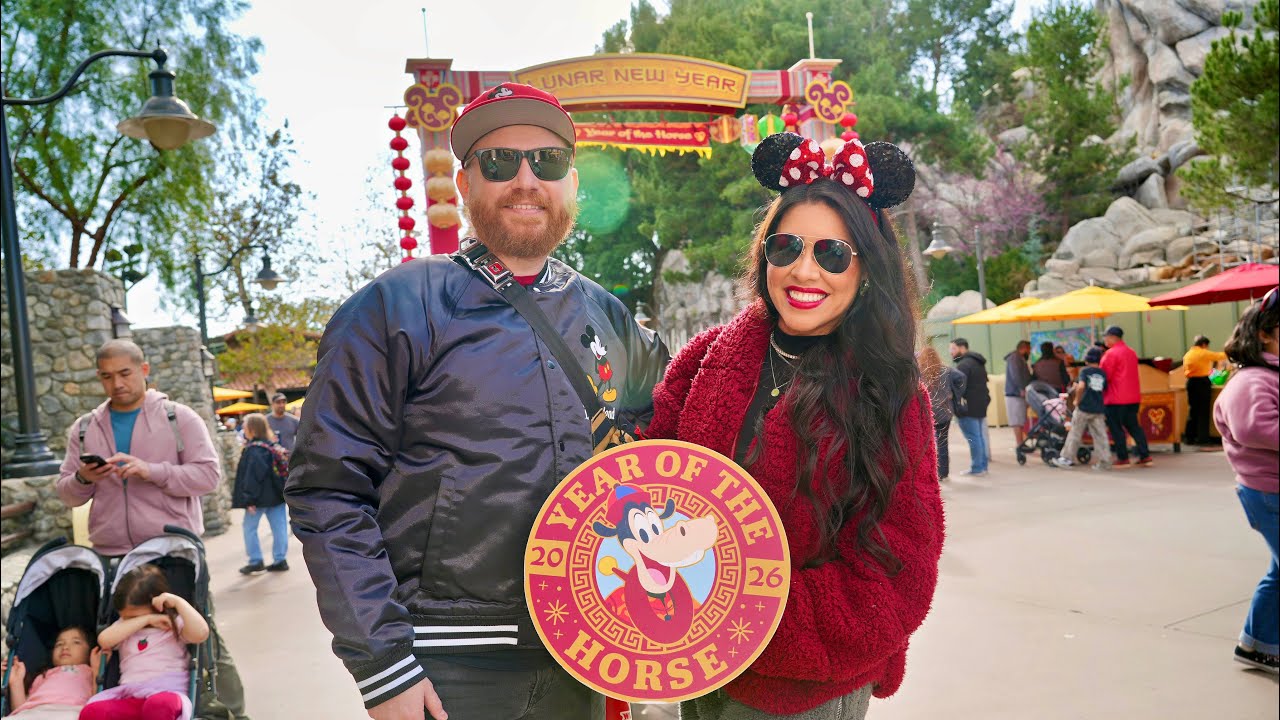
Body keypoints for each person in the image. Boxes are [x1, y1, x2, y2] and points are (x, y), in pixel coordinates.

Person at [286, 82, 669, 720]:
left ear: (572, 183)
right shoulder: (397, 306)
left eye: (547, 162)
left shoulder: (607, 314)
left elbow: (677, 430)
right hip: (447, 667)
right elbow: (328, 488)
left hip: (589, 648)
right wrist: (382, 663)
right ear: (463, 183)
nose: (526, 180)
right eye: (499, 162)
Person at [645, 131, 942, 719]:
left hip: (804, 688)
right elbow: (650, 478)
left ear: (866, 269)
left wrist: (746, 615)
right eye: (786, 248)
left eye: (832, 254)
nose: (805, 271)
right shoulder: (705, 359)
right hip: (696, 667)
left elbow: (898, 571)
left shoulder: (888, 393)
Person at [54, 339, 249, 720]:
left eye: (125, 373)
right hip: (114, 554)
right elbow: (67, 492)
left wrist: (151, 471)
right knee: (125, 640)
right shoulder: (84, 429)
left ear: (144, 370)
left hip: (172, 553)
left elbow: (208, 476)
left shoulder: (179, 418)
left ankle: (233, 713)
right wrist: (83, 477)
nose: (117, 384)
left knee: (202, 637)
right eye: (107, 376)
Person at [1213, 287, 1279, 674]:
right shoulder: (1252, 380)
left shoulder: (1269, 375)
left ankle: (1255, 645)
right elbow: (1255, 428)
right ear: (1265, 334)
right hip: (1269, 493)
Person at [81, 565, 209, 720]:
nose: (129, 620)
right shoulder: (124, 627)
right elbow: (104, 640)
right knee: (93, 711)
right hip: (131, 696)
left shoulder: (172, 623)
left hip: (166, 694)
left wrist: (177, 602)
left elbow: (201, 633)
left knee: (159, 705)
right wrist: (146, 619)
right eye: (126, 617)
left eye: (134, 617)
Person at [232, 413, 291, 575]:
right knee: (279, 528)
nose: (243, 429)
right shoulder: (271, 446)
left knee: (249, 528)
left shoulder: (254, 450)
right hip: (277, 496)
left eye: (245, 426)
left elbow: (252, 477)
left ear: (252, 429)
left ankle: (256, 561)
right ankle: (280, 560)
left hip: (258, 499)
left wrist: (249, 500)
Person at [1, 627, 100, 719]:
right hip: (35, 712)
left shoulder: (89, 671)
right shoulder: (43, 675)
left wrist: (97, 669)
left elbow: (98, 698)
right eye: (59, 644)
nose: (65, 647)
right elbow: (20, 709)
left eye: (76, 642)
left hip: (72, 711)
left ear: (90, 650)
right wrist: (16, 682)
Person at [1052, 346, 1112, 470]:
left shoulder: (1085, 371)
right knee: (1100, 436)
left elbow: (1081, 387)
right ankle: (1105, 461)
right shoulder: (1102, 373)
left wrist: (1076, 400)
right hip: (1098, 408)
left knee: (1075, 433)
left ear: (1087, 359)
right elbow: (1103, 388)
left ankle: (1066, 458)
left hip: (1084, 407)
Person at [1099, 326, 1151, 467]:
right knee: (1134, 427)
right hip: (1133, 397)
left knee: (1116, 428)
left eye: (1105, 337)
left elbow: (1105, 376)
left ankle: (1123, 457)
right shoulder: (1131, 352)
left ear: (1112, 337)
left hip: (1115, 398)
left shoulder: (1110, 354)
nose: (1104, 340)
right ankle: (1145, 455)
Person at [920, 346, 965, 481]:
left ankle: (930, 471)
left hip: (927, 413)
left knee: (926, 444)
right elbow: (961, 377)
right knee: (942, 443)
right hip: (944, 412)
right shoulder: (946, 370)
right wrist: (956, 394)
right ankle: (943, 473)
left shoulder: (920, 372)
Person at [950, 338, 990, 476]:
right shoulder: (978, 362)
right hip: (981, 404)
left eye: (953, 348)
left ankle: (977, 467)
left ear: (962, 348)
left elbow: (958, 388)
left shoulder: (963, 365)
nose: (951, 352)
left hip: (968, 407)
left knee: (974, 438)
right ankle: (982, 466)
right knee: (979, 437)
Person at [1183, 334, 1228, 448]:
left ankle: (1189, 437)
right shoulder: (1203, 353)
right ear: (1204, 345)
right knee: (1203, 412)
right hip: (1202, 383)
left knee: (1193, 411)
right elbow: (1220, 356)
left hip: (1190, 383)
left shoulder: (1188, 354)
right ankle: (1203, 439)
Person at [1003, 340, 1033, 446]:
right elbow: (1016, 375)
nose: (1030, 352)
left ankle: (1021, 443)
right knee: (1017, 421)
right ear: (1024, 348)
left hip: (1017, 394)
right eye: (1029, 350)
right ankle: (1020, 444)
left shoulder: (1019, 358)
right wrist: (1022, 389)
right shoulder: (1015, 358)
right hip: (1014, 395)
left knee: (1020, 420)